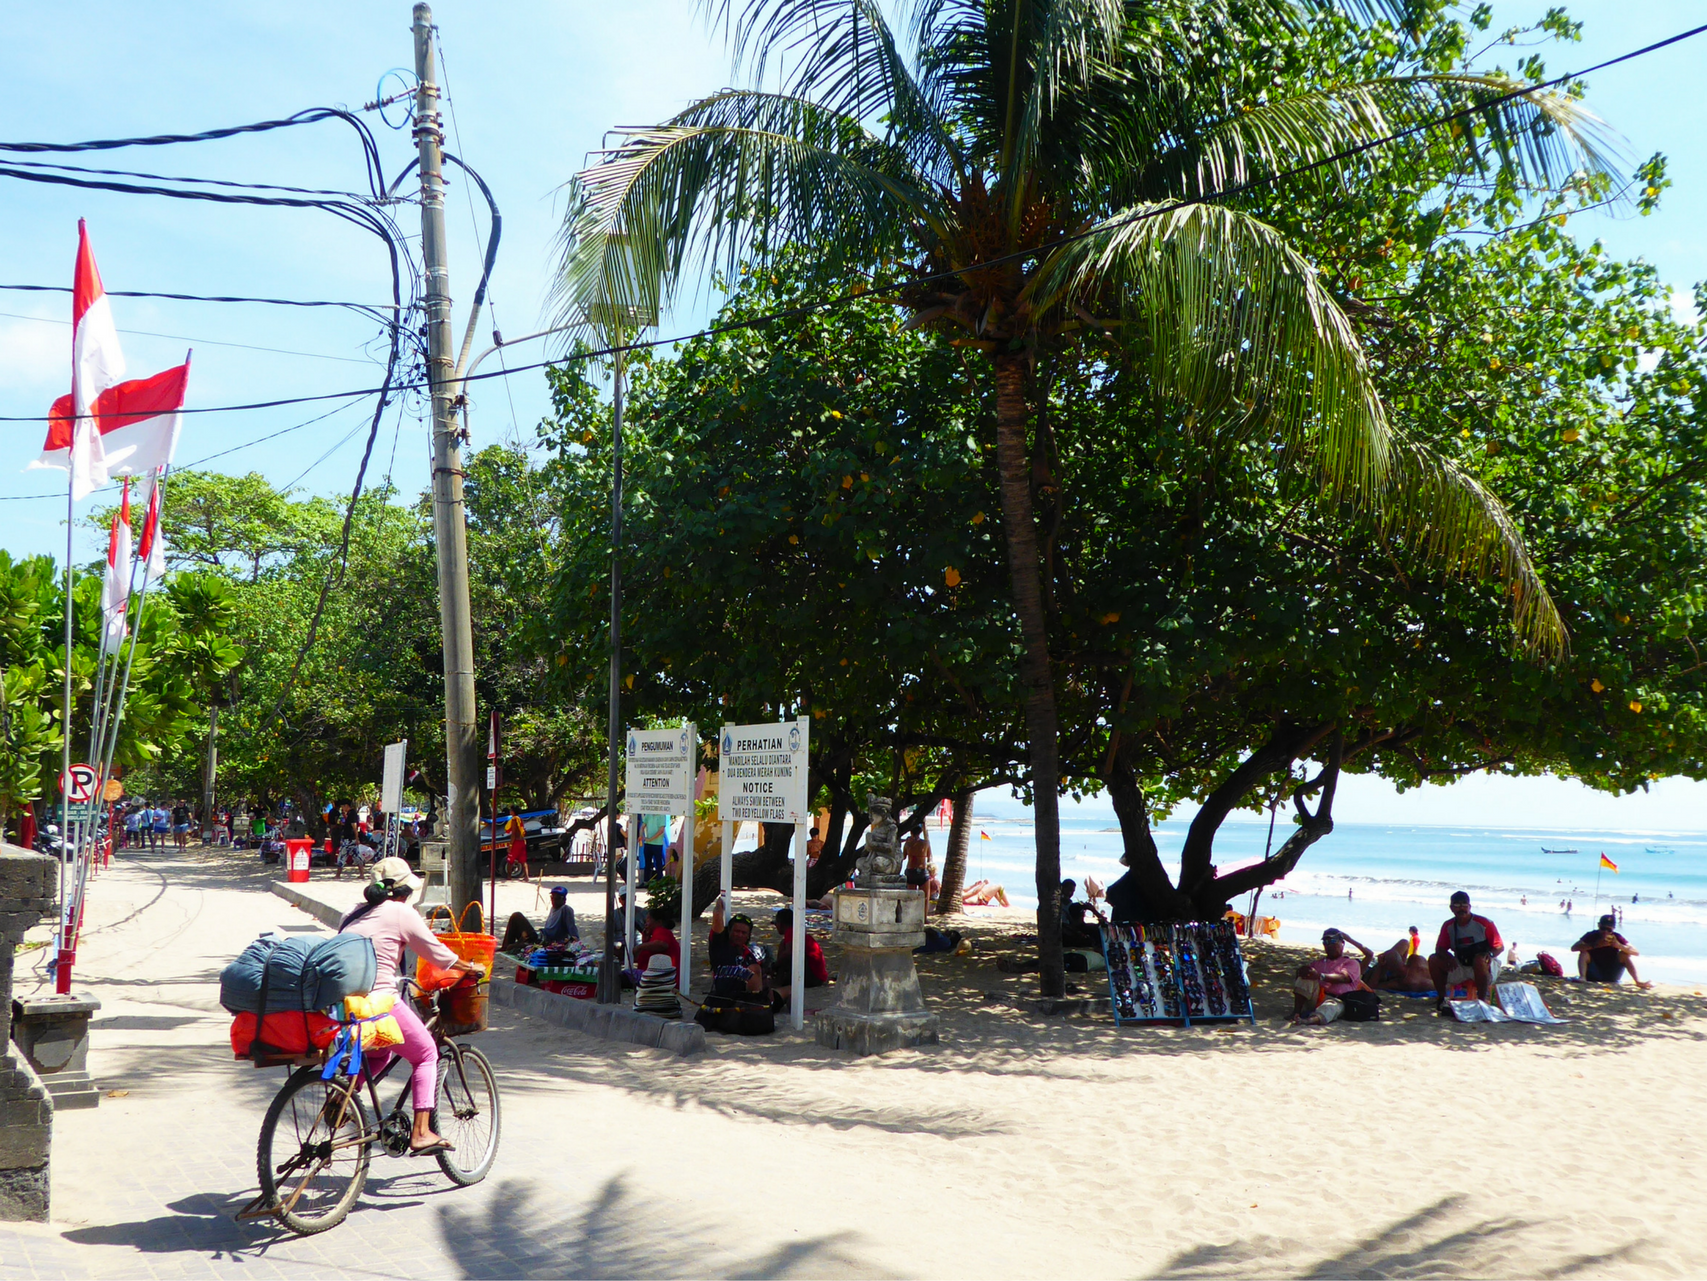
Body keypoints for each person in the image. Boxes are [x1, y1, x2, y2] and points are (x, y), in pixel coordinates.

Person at [338, 857, 479, 1154]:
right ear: (404, 891)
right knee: (427, 1053)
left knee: (380, 1054)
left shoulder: (351, 913)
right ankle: (421, 1132)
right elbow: (436, 953)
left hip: (346, 1004)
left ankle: (338, 1101)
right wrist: (469, 967)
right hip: (379, 1002)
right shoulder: (400, 912)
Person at [1428, 891, 1504, 1012]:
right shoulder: (1449, 926)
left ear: (1469, 906)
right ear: (1451, 908)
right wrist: (1448, 957)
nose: (1461, 908)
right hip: (1461, 964)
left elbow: (1499, 946)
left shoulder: (1484, 923)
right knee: (1433, 959)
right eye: (1457, 905)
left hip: (1485, 966)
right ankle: (1442, 998)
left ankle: (1481, 1001)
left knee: (1479, 959)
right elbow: (1440, 949)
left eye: (1464, 905)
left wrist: (1489, 954)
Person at [1291, 928, 1376, 1024]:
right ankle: (1296, 1012)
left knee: (1330, 1007)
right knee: (1306, 976)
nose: (1329, 945)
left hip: (1338, 999)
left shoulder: (1351, 963)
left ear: (1342, 943)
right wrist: (1302, 971)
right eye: (1326, 942)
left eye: (1333, 941)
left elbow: (1344, 978)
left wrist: (1320, 976)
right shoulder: (1318, 963)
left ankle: (1309, 1020)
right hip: (1317, 997)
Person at [707, 896, 767, 1001]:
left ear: (748, 936)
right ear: (729, 931)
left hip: (747, 998)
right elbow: (717, 914)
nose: (739, 935)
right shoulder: (720, 945)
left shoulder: (748, 954)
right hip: (724, 997)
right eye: (736, 931)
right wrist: (721, 899)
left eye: (743, 933)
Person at [769, 906, 828, 1011]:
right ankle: (779, 979)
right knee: (784, 945)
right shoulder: (795, 931)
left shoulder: (791, 931)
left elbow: (788, 953)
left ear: (781, 924)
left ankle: (778, 981)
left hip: (813, 975)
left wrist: (775, 965)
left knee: (787, 957)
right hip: (816, 975)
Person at [1572, 914, 1653, 988]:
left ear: (1613, 929)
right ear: (1599, 926)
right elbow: (1574, 948)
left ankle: (1638, 981)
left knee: (1624, 954)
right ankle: (1582, 977)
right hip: (1593, 971)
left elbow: (1636, 952)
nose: (1605, 932)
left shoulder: (1617, 937)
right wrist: (1595, 945)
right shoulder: (1592, 935)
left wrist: (1619, 945)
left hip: (1612, 973)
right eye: (1603, 928)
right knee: (1584, 953)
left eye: (1609, 930)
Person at [501, 885, 580, 954]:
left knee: (511, 946)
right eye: (552, 898)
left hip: (544, 941)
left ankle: (518, 945)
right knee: (515, 917)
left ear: (564, 900)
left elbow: (572, 930)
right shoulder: (553, 909)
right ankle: (506, 946)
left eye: (557, 898)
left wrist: (575, 943)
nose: (554, 901)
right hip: (539, 936)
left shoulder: (565, 909)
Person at [1058, 878, 1101, 949]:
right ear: (1062, 888)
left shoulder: (1069, 903)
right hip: (1067, 932)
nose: (1070, 893)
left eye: (1072, 891)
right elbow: (1066, 924)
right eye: (1068, 890)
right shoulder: (1060, 904)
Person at [504, 806, 527, 875]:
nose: (510, 811)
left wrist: (510, 845)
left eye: (511, 810)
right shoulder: (520, 819)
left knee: (510, 861)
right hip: (522, 841)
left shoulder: (514, 820)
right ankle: (526, 877)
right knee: (523, 861)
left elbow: (513, 833)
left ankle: (509, 877)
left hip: (516, 842)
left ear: (513, 812)